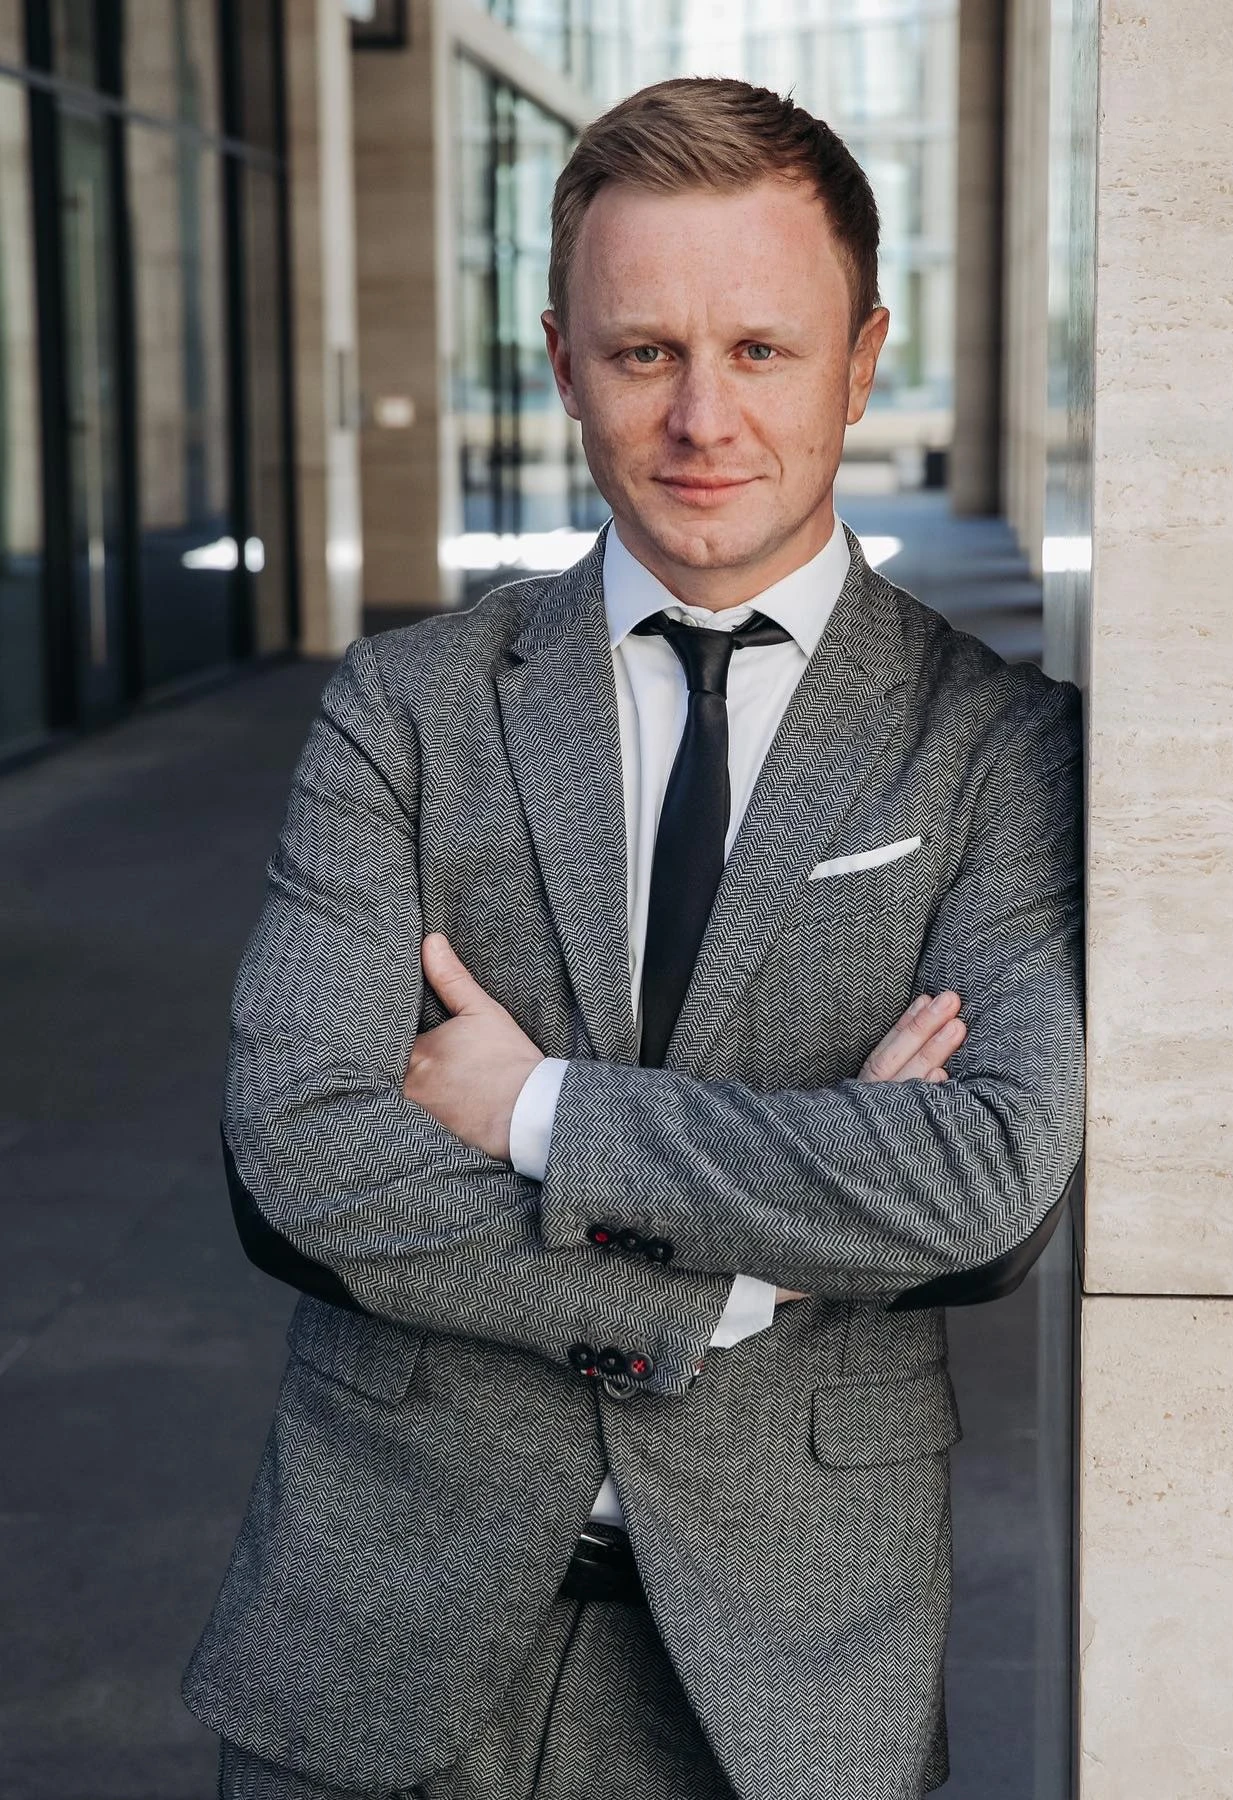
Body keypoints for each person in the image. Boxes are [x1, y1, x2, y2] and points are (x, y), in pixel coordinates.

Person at [181, 75, 1084, 1800]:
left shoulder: (997, 747)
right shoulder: (406, 708)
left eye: (761, 349)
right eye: (644, 351)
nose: (701, 417)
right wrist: (740, 1279)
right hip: (380, 1620)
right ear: (562, 359)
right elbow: (299, 1149)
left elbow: (980, 1179)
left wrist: (535, 1110)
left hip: (786, 1670)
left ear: (860, 361)